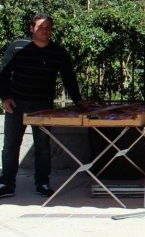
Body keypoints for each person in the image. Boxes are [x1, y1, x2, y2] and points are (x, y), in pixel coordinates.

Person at [0, 13, 87, 198]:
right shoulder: (17, 47)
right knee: (11, 145)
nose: (44, 30)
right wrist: (5, 98)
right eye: (40, 27)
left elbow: (68, 78)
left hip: (43, 105)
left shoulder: (58, 52)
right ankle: (6, 183)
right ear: (32, 29)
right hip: (16, 103)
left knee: (43, 145)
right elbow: (3, 74)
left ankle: (43, 184)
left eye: (48, 27)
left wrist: (78, 100)